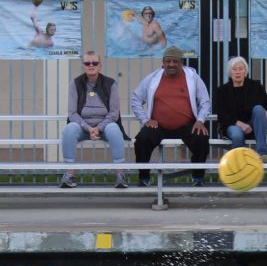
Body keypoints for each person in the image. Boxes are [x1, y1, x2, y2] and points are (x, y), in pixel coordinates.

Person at [130, 46, 211, 187]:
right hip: (158, 126)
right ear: (163, 62)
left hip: (187, 125)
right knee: (142, 140)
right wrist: (145, 120)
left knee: (202, 139)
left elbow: (205, 102)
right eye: (168, 61)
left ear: (182, 63)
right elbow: (135, 99)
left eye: (175, 61)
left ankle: (198, 178)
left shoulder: (193, 78)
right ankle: (144, 178)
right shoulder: (153, 78)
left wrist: (200, 120)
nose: (171, 64)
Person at [60, 51, 129, 189]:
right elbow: (72, 113)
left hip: (105, 125)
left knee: (114, 129)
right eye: (87, 63)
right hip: (82, 126)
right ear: (83, 66)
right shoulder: (75, 83)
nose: (91, 66)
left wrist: (99, 128)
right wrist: (88, 128)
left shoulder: (111, 84)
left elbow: (114, 113)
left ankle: (120, 174)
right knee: (69, 129)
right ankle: (69, 174)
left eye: (94, 63)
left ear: (100, 66)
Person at [214, 56, 267, 163]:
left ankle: (262, 153)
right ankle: (239, 164)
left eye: (241, 69)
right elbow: (222, 115)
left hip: (254, 127)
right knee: (237, 135)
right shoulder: (222, 91)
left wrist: (265, 112)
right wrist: (240, 124)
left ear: (245, 71)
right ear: (230, 72)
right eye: (234, 69)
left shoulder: (256, 87)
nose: (238, 72)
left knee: (258, 109)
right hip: (233, 125)